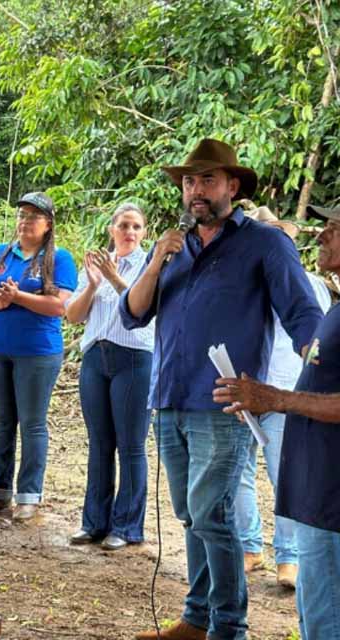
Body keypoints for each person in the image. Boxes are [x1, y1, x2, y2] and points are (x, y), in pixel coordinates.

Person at [122, 139, 323, 640]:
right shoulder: (172, 246)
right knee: (192, 514)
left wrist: (323, 369)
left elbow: (303, 315)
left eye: (208, 180)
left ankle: (229, 627)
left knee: (211, 511)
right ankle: (197, 617)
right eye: (190, 181)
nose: (196, 190)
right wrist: (154, 262)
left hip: (225, 403)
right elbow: (133, 312)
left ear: (232, 186)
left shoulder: (264, 243)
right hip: (169, 399)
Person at [214, 203, 340, 640]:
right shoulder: (336, 307)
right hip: (318, 492)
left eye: (333, 228)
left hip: (333, 499)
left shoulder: (319, 298)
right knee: (314, 613)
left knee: (328, 617)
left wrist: (277, 398)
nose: (320, 237)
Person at [234, 206, 331, 588]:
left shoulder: (313, 284)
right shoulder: (241, 283)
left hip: (286, 391)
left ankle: (288, 557)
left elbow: (317, 344)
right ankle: (250, 546)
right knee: (238, 474)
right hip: (244, 388)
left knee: (285, 476)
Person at [0, 192, 77, 521]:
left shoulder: (59, 258)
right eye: (22, 215)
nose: (25, 221)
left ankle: (28, 495)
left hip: (37, 352)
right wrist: (0, 302)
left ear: (48, 225)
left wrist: (18, 297)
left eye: (33, 216)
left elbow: (60, 306)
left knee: (32, 423)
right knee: (1, 422)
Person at [64, 202, 154, 548]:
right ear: (111, 229)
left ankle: (127, 526)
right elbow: (72, 315)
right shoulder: (97, 265)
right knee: (99, 444)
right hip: (95, 358)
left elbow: (140, 308)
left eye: (136, 227)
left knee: (131, 445)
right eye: (123, 226)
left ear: (144, 233)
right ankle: (94, 523)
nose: (129, 233)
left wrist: (114, 278)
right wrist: (91, 284)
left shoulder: (150, 266)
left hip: (133, 357)